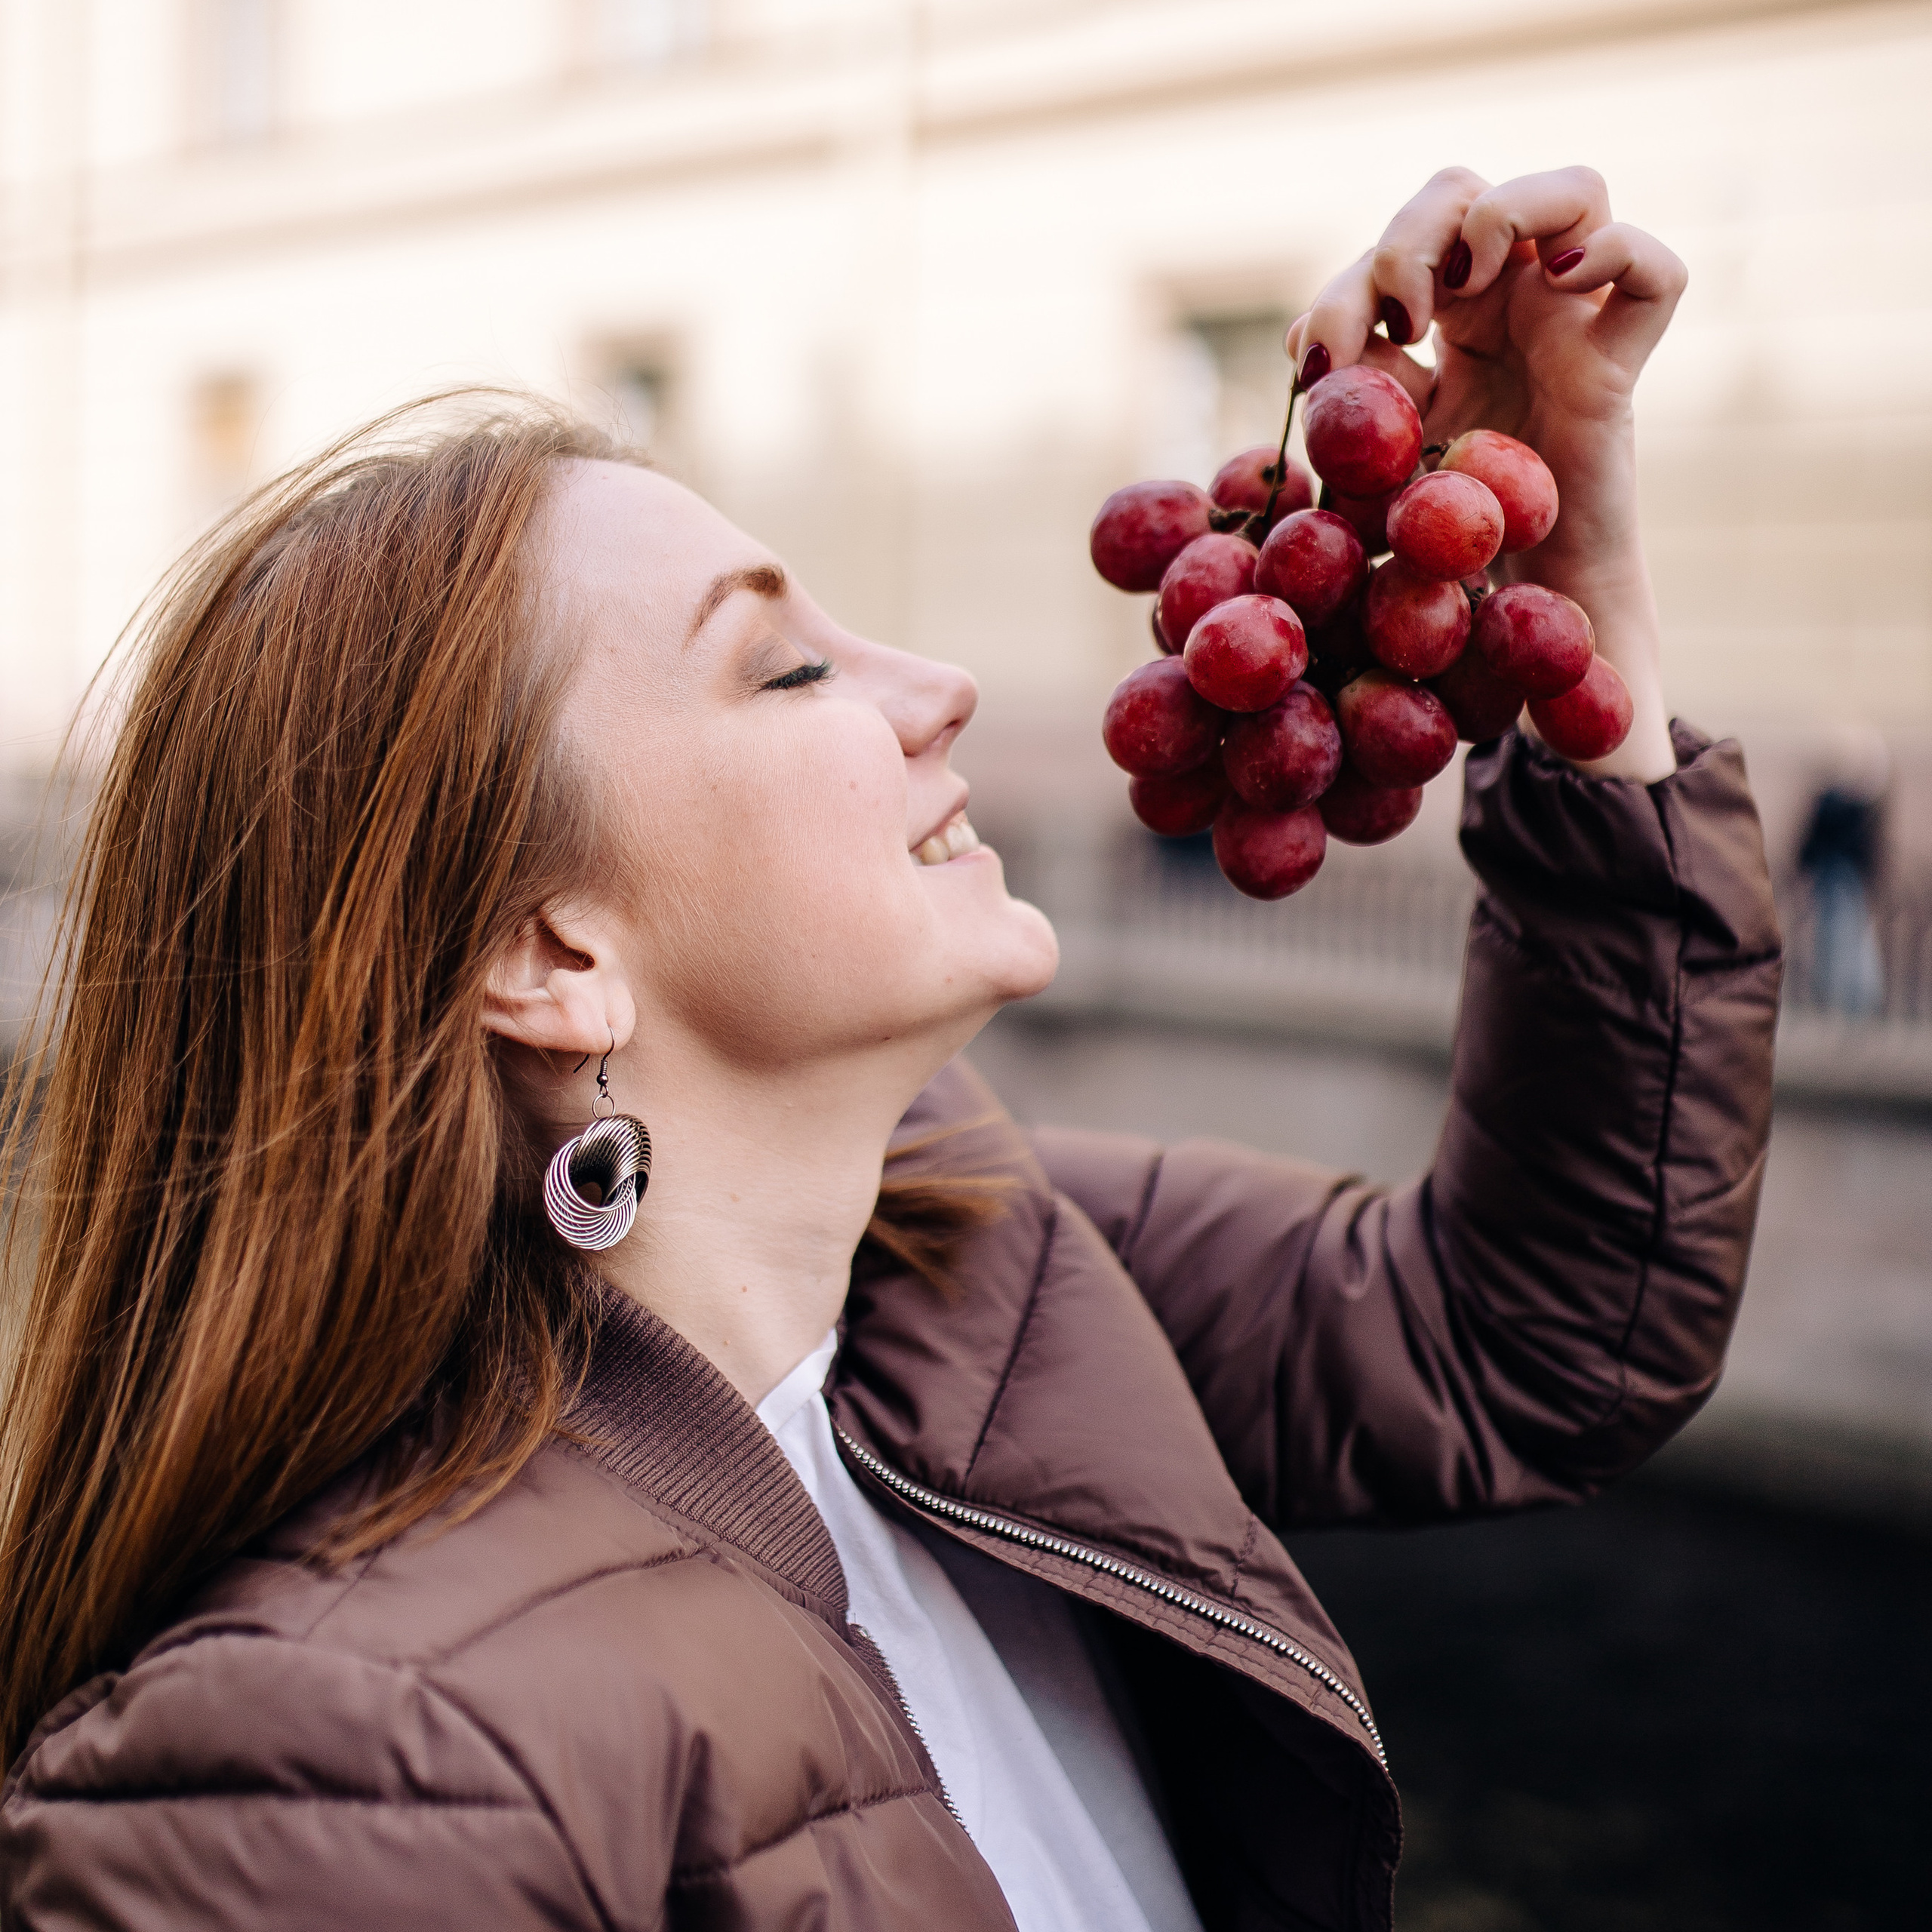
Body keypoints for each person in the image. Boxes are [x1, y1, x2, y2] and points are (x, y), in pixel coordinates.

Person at [0, 168, 1779, 1932]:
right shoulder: (321, 1764)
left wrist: (1570, 611)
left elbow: (1530, 1338)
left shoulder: (978, 1250)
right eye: (786, 669)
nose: (936, 684)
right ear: (550, 954)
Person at [1796, 722, 1888, 1016]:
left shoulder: (1843, 803)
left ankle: (1847, 1001)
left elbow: (1815, 841)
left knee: (1843, 936)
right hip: (1841, 878)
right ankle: (1846, 1001)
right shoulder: (1849, 802)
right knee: (1842, 935)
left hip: (1841, 878)